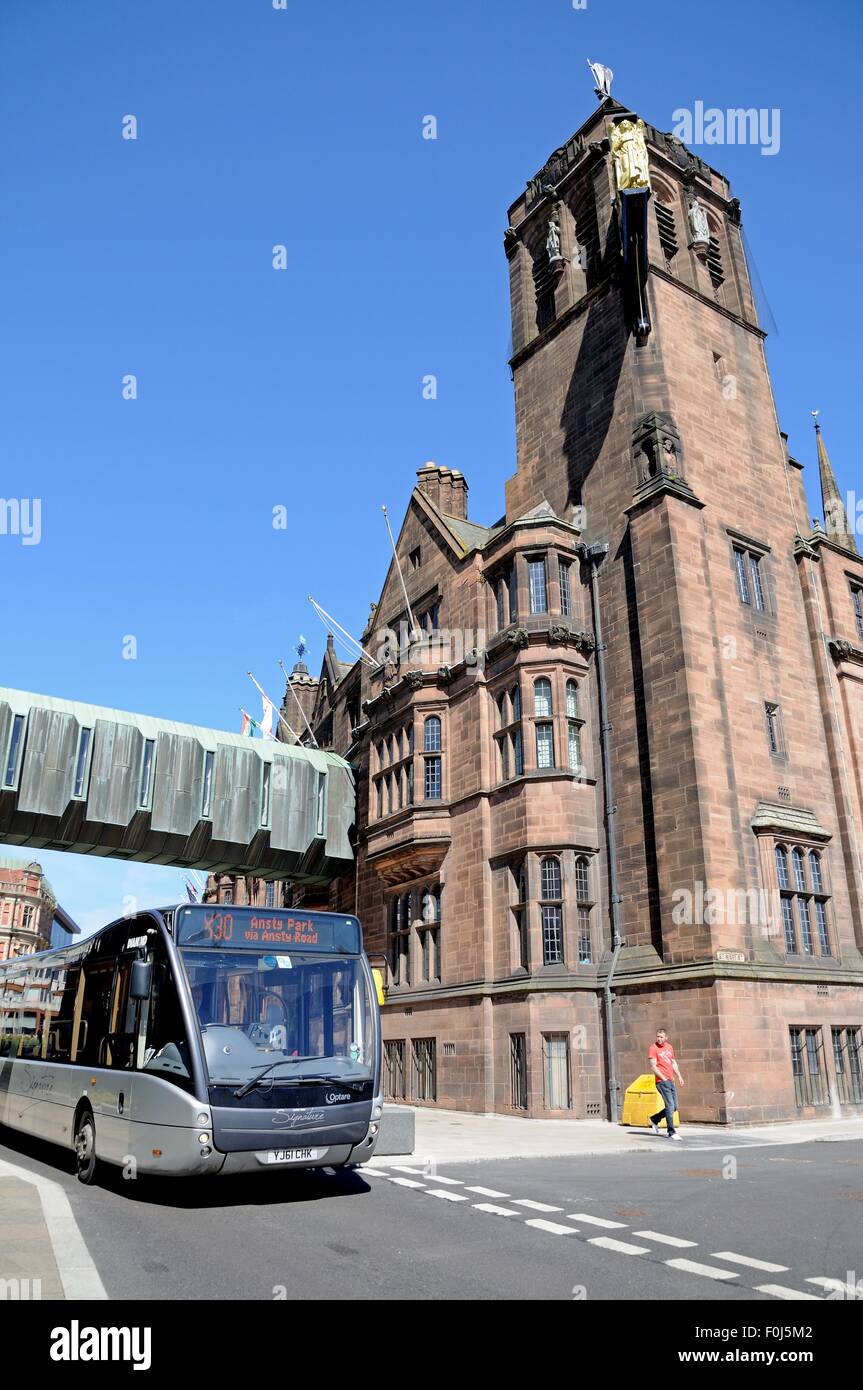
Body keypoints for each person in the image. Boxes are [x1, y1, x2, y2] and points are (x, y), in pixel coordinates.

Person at [648, 1027, 685, 1140]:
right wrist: (663, 1078)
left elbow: (673, 1063)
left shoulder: (669, 1047)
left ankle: (655, 1119)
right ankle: (671, 1132)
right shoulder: (653, 1048)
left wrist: (679, 1076)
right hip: (662, 1081)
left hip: (671, 1080)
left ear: (666, 1038)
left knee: (674, 1107)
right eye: (657, 1036)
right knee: (669, 1106)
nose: (659, 1039)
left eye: (661, 1037)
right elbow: (653, 1066)